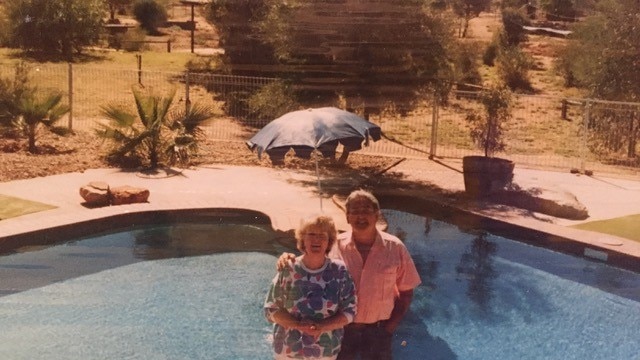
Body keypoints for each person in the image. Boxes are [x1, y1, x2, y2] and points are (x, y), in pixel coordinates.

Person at [278, 190, 421, 360]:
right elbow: (308, 263)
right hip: (341, 330)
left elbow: (406, 292)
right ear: (347, 217)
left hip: (378, 331)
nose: (361, 216)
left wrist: (390, 327)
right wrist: (287, 258)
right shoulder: (333, 246)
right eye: (355, 211)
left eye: (366, 210)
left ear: (377, 216)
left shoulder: (395, 248)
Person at [264, 214, 357, 360]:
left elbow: (350, 311)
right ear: (302, 239)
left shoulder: (339, 271)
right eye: (311, 234)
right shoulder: (289, 268)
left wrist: (323, 326)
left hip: (324, 352)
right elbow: (271, 309)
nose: (316, 240)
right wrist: (299, 325)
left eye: (322, 236)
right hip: (288, 352)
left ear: (329, 241)